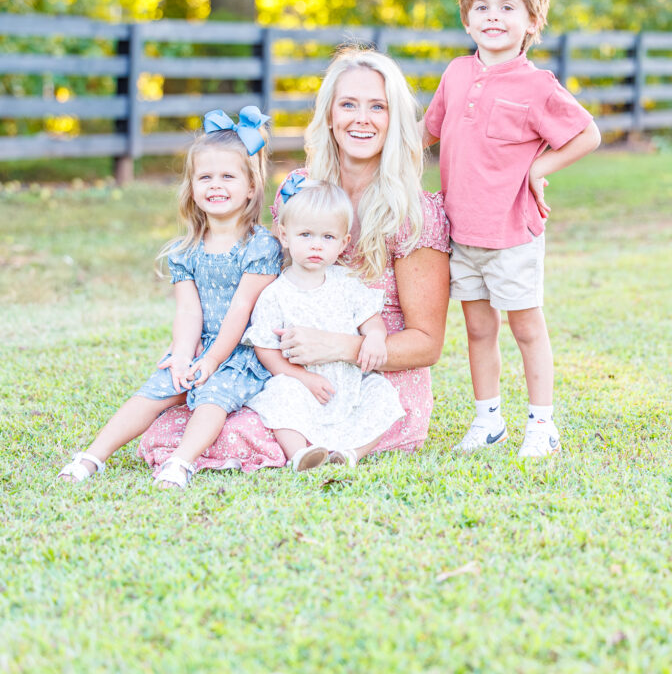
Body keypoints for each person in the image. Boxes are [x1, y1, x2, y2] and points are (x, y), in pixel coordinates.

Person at [138, 47, 451, 474]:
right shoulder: (298, 192)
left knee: (235, 433)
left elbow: (427, 343)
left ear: (394, 119)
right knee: (178, 425)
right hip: (293, 373)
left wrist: (342, 346)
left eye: (377, 106)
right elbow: (266, 288)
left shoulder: (413, 213)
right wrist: (194, 346)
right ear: (328, 116)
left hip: (376, 381)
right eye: (349, 104)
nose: (362, 118)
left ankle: (336, 446)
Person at [422, 0, 601, 458]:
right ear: (466, 18)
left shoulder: (538, 85)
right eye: (482, 6)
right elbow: (427, 132)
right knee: (478, 328)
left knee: (525, 326)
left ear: (531, 22)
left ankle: (541, 425)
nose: (493, 16)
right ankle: (489, 420)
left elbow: (587, 134)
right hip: (459, 231)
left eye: (507, 7)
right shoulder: (456, 74)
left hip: (512, 232)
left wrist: (537, 170)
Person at [58, 107, 282, 488]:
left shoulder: (260, 247)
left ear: (250, 187)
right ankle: (93, 456)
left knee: (213, 397)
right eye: (205, 176)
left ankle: (181, 462)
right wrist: (183, 356)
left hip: (242, 350)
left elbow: (242, 310)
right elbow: (188, 310)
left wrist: (211, 360)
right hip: (199, 345)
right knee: (157, 388)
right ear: (191, 187)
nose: (216, 185)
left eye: (228, 176)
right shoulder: (185, 250)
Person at [243, 179, 405, 471]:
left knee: (383, 394)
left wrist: (376, 338)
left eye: (328, 237)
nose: (316, 244)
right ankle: (299, 454)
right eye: (305, 234)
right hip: (302, 385)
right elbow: (265, 350)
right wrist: (302, 379)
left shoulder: (346, 285)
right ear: (284, 235)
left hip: (348, 387)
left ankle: (351, 453)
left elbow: (371, 321)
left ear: (344, 243)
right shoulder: (275, 294)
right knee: (278, 393)